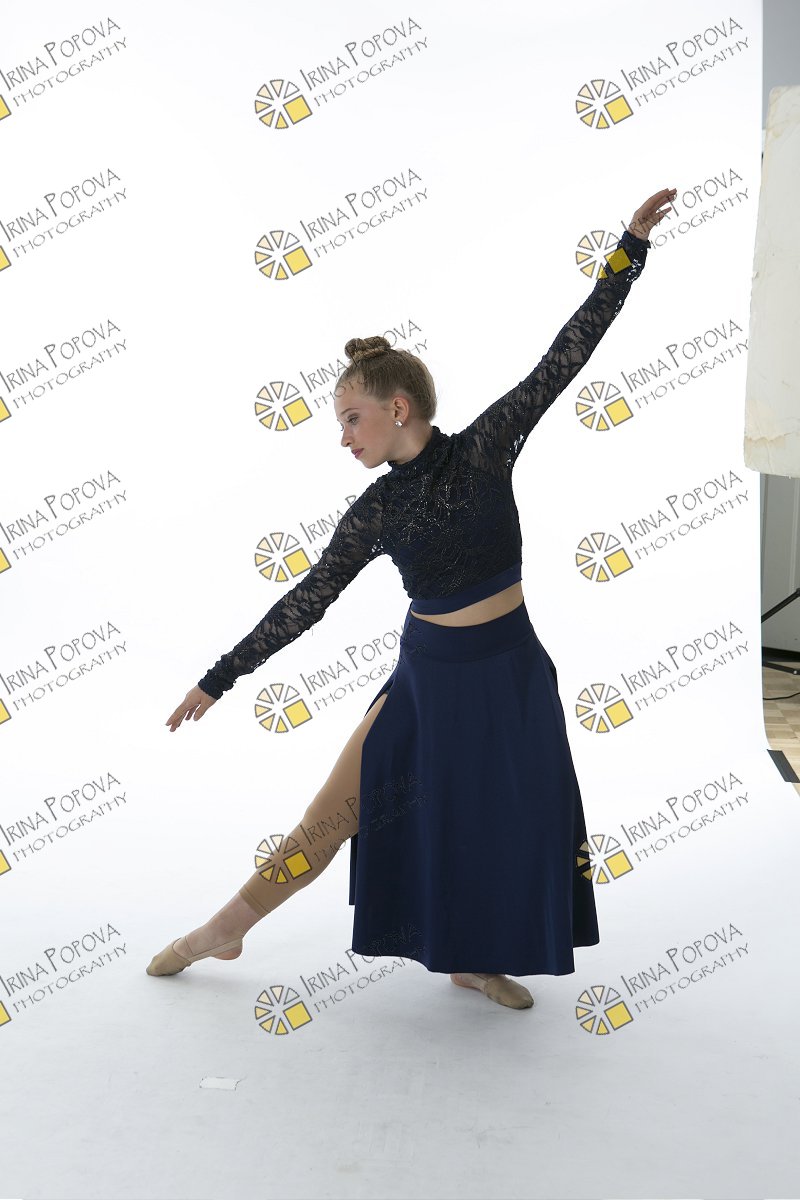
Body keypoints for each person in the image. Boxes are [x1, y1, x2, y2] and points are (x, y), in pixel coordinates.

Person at [147, 188, 677, 1010]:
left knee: (509, 825)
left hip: (512, 674)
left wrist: (628, 251)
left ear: (398, 409)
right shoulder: (377, 511)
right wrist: (219, 677)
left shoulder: (487, 449)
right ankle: (223, 928)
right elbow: (307, 600)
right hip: (430, 683)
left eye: (352, 419)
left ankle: (471, 959)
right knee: (329, 820)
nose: (343, 437)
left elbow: (567, 354)